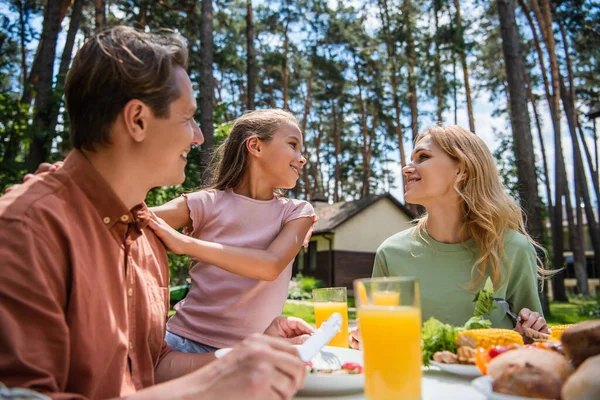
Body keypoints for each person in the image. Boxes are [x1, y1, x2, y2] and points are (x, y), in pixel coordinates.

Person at [0, 26, 309, 400]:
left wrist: (246, 357)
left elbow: (155, 367)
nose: (198, 137)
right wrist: (207, 387)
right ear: (138, 120)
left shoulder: (144, 238)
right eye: (187, 118)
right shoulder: (26, 229)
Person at [350, 125, 549, 349]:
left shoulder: (513, 248)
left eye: (423, 157)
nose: (406, 169)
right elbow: (376, 338)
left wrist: (530, 332)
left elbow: (535, 338)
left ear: (461, 170)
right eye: (410, 160)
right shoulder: (391, 253)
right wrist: (363, 338)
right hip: (414, 383)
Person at [146, 109, 317, 353]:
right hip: (182, 342)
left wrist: (183, 243)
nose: (302, 158)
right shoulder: (205, 202)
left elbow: (270, 265)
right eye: (293, 145)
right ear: (255, 146)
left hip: (250, 355)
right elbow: (137, 217)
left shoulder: (297, 212)